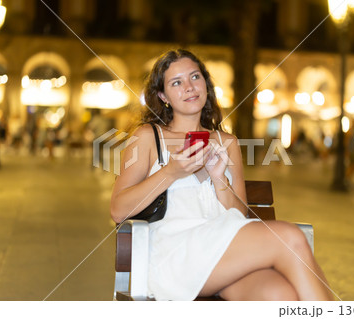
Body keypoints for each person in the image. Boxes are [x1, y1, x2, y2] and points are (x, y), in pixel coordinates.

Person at [110, 49, 333, 301]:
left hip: (223, 253)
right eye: (176, 82)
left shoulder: (227, 143)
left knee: (279, 295)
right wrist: (171, 172)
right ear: (163, 96)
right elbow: (118, 210)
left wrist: (219, 180)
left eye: (195, 77)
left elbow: (239, 215)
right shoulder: (149, 137)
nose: (189, 87)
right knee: (291, 236)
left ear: (206, 83)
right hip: (178, 256)